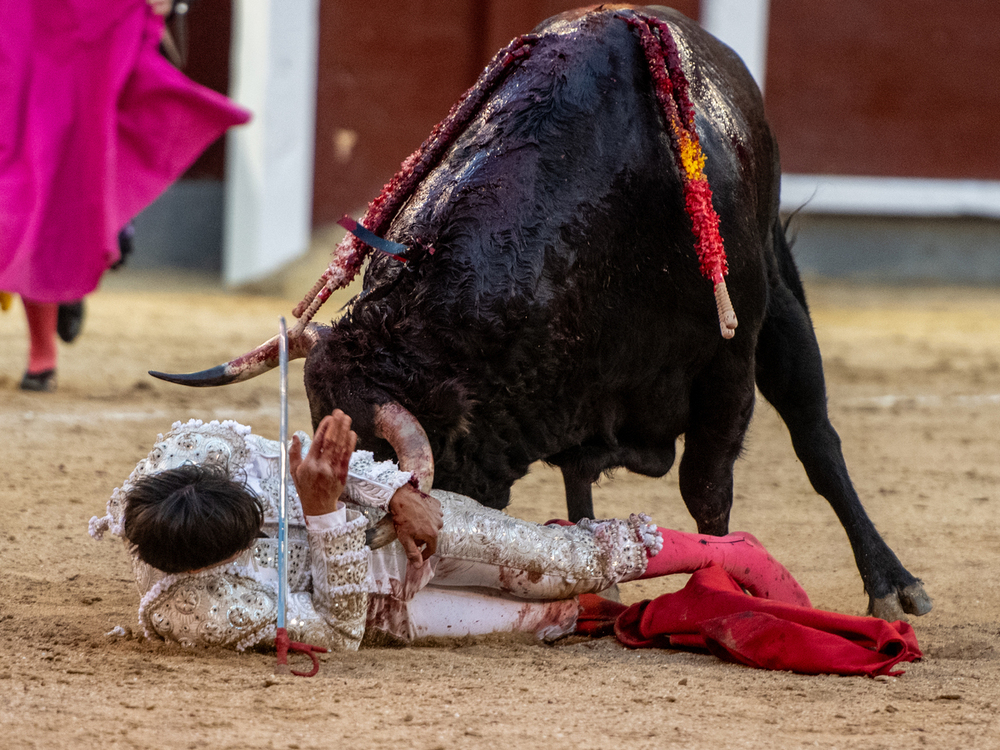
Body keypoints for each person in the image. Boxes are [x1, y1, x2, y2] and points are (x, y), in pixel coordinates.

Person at [90, 411, 810, 652]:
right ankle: (676, 616)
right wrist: (319, 513)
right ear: (211, 566)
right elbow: (339, 635)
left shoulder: (197, 456)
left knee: (562, 560)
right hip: (376, 608)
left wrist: (396, 490)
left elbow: (298, 456)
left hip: (381, 524)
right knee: (548, 617)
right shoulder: (199, 608)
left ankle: (729, 551)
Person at [0, 0, 249, 391]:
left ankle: (43, 342)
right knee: (21, 179)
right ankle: (65, 278)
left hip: (88, 23)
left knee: (50, 176)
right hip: (21, 19)